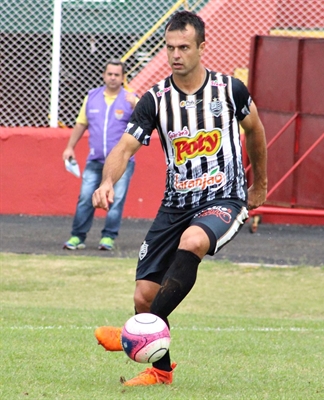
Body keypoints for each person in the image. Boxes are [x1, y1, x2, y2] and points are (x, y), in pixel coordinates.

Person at [93, 11, 267, 385]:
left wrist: (260, 186)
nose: (175, 54)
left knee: (194, 241)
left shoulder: (230, 90)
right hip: (175, 204)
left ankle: (133, 335)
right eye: (170, 47)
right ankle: (161, 371)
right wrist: (108, 181)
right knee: (144, 295)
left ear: (202, 47)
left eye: (184, 47)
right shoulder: (155, 100)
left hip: (225, 198)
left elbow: (255, 131)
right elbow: (124, 148)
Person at [63, 59, 138, 251]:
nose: (113, 78)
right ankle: (77, 237)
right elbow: (81, 123)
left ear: (123, 78)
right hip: (95, 160)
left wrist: (137, 105)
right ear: (104, 75)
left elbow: (144, 124)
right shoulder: (92, 97)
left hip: (122, 162)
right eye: (110, 74)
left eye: (117, 75)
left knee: (117, 199)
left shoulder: (130, 99)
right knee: (86, 197)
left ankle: (108, 237)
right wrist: (70, 147)